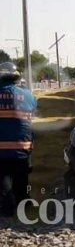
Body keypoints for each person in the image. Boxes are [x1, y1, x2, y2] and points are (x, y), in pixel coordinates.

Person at [0, 62, 37, 217]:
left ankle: (7, 208)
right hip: (23, 147)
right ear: (17, 77)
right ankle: (23, 203)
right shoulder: (28, 95)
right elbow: (32, 114)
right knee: (21, 176)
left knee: (3, 178)